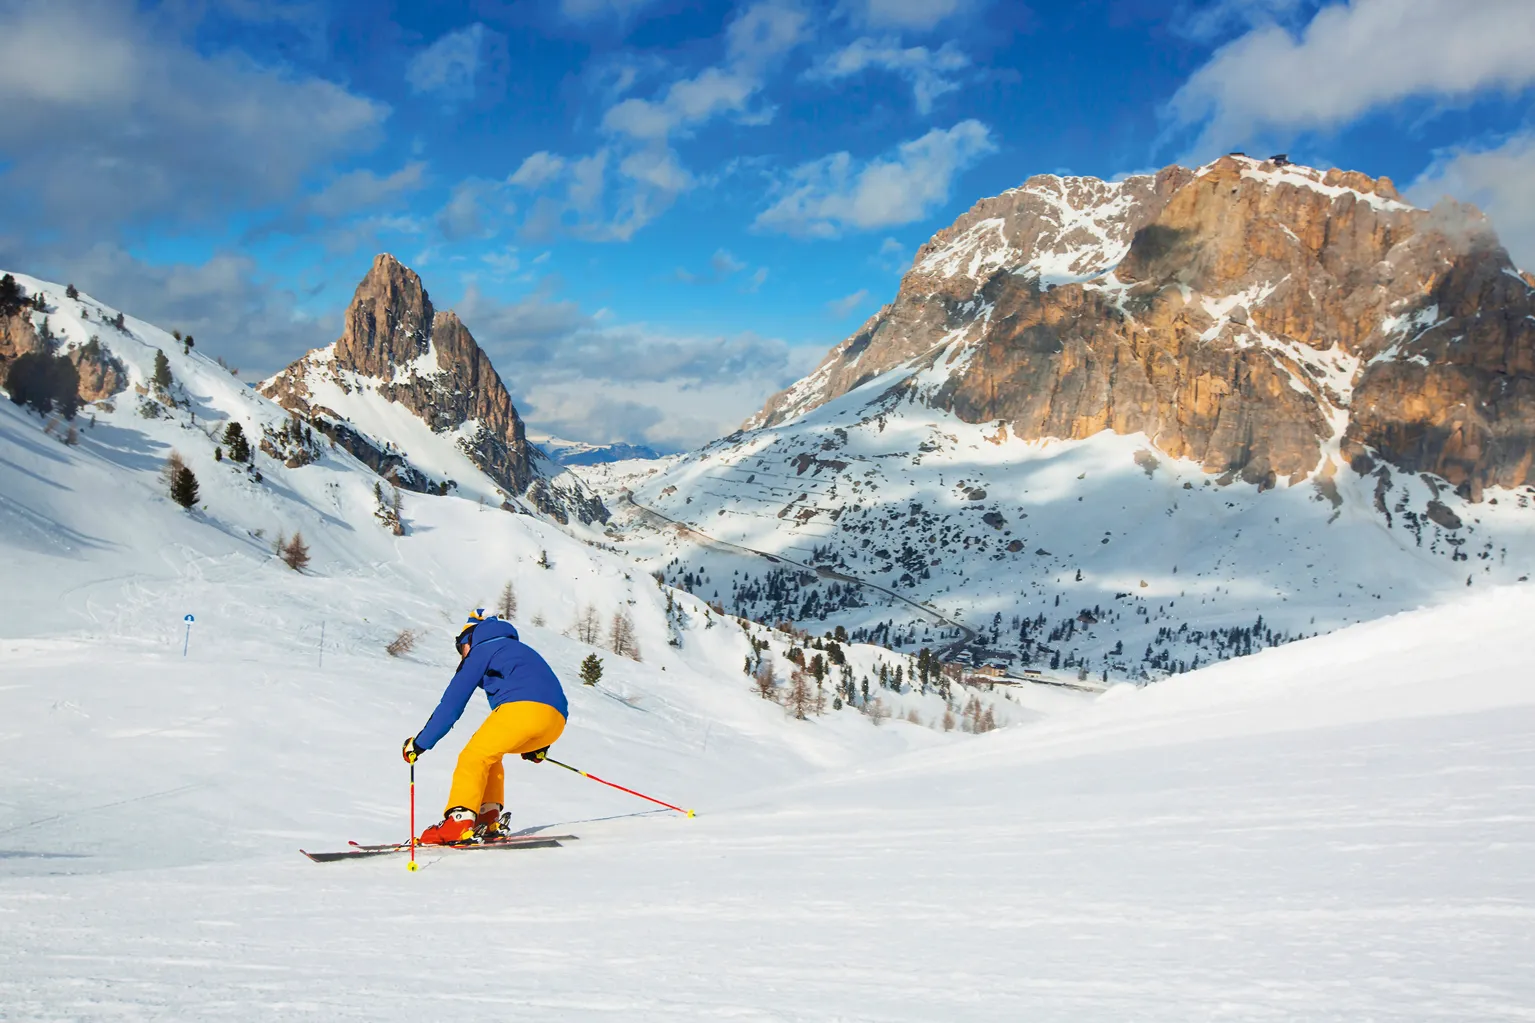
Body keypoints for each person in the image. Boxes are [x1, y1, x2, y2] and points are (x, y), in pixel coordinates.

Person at [401, 609, 569, 844]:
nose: (462, 656)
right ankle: (487, 818)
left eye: (461, 648)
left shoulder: (482, 649)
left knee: (473, 756)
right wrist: (538, 744)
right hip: (556, 721)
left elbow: (452, 704)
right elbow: (544, 691)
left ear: (469, 638)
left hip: (521, 710)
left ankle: (458, 822)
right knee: (491, 753)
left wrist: (419, 744)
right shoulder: (521, 650)